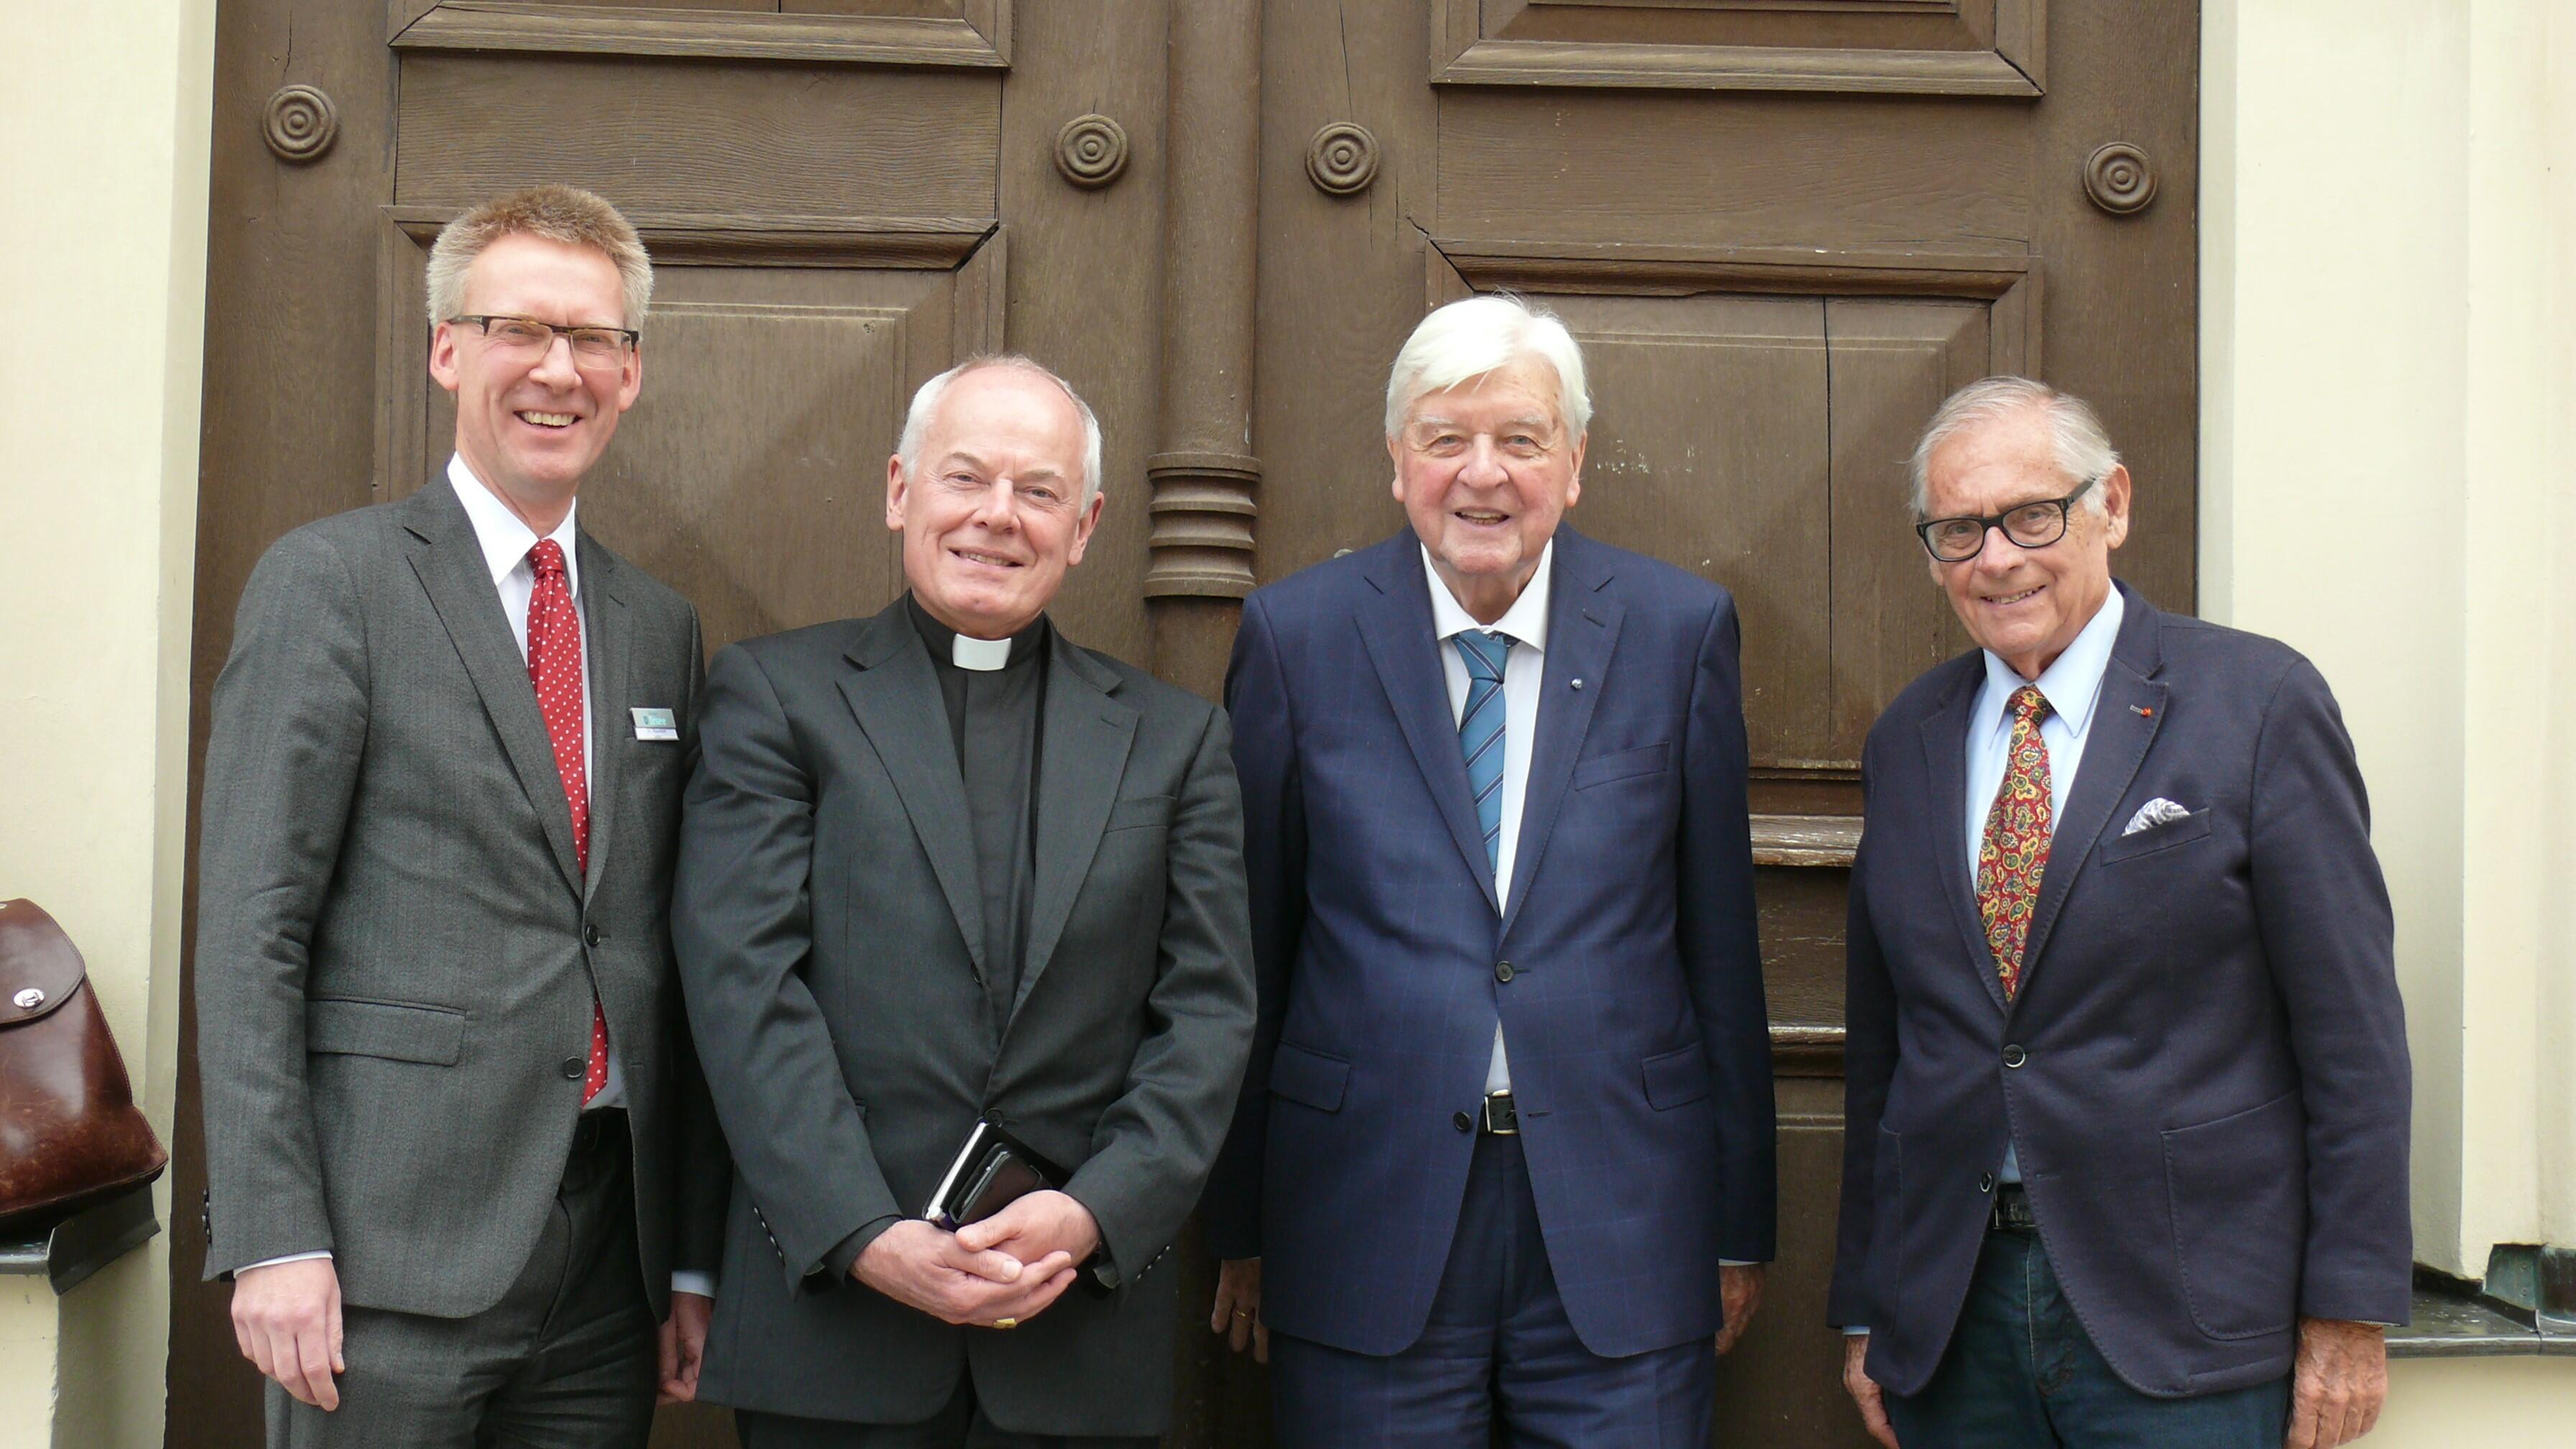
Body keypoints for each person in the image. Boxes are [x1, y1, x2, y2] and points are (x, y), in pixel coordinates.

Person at [196, 183, 727, 1446]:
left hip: (606, 1261)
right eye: (518, 329)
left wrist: (687, 1256)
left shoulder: (658, 627)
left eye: (595, 339)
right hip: (382, 1261)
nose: (560, 370)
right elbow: (251, 927)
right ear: (446, 349)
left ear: (632, 371)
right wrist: (275, 1234)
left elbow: (663, 944)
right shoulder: (335, 583)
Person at [1200, 294, 1776, 1446]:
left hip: (1625, 1223)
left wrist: (1737, 1226)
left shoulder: (1678, 630)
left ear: (1573, 464)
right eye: (1445, 438)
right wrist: (1238, 1224)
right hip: (1361, 1216)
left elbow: (1721, 949)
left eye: (1520, 439)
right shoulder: (1295, 637)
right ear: (1395, 460)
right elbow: (1249, 945)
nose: (1483, 475)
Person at [671, 355, 1256, 1448]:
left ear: (1083, 527)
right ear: (901, 491)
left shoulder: (1176, 744)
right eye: (965, 479)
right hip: (834, 1328)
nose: (998, 517)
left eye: (1038, 492)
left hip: (1072, 1331)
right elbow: (743, 990)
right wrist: (864, 1231)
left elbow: (1210, 1017)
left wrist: (1093, 1215)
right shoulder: (776, 698)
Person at [1831, 376, 2411, 1449]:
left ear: (2115, 507)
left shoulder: (2257, 705)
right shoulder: (1910, 738)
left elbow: (2353, 1036)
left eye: (2031, 515)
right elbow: (1888, 1053)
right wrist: (1871, 1298)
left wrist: (2350, 1307)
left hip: (2185, 1320)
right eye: (1959, 530)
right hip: (1954, 1318)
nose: (1997, 557)